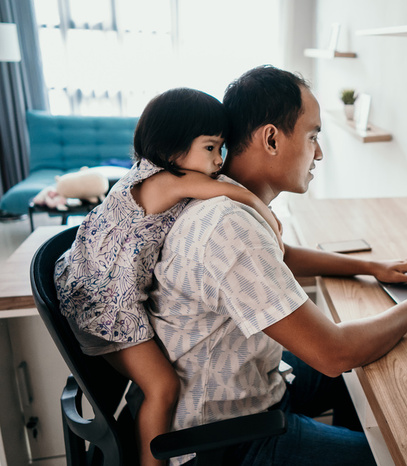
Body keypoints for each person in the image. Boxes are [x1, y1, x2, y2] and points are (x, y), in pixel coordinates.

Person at [149, 66, 407, 466]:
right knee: (404, 456)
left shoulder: (230, 202)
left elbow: (282, 256)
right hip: (227, 440)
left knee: (369, 374)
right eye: (313, 136)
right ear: (272, 139)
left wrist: (374, 267)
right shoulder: (229, 226)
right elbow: (334, 353)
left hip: (255, 386)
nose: (319, 152)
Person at [54, 87, 285, 466]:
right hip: (107, 307)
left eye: (222, 147)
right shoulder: (166, 180)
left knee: (161, 382)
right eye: (210, 147)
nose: (219, 159)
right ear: (171, 147)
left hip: (94, 288)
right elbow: (222, 191)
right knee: (162, 386)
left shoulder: (151, 176)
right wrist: (264, 211)